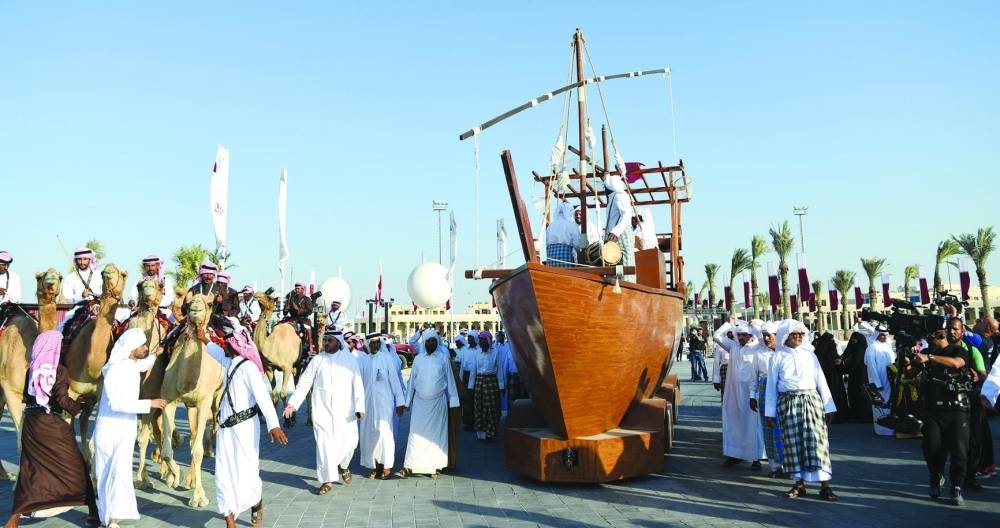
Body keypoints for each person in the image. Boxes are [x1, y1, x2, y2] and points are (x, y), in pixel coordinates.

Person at [4, 331, 99, 528]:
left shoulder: (32, 369)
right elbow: (63, 400)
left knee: (31, 469)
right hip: (52, 426)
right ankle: (93, 511)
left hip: (32, 424)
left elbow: (25, 396)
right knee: (75, 467)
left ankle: (14, 518)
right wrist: (79, 406)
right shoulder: (60, 370)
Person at [205, 318, 287, 528]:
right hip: (225, 430)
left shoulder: (249, 367)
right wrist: (202, 337)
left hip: (245, 429)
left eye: (227, 343)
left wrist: (273, 425)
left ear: (234, 345)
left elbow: (264, 398)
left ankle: (256, 502)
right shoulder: (229, 361)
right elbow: (213, 349)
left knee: (248, 473)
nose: (223, 345)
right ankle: (229, 521)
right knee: (223, 473)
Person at [92, 328, 167, 528]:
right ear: (131, 348)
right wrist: (149, 403)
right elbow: (118, 404)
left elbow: (142, 365)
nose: (145, 347)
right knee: (108, 474)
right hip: (110, 429)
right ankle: (108, 518)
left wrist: (155, 355)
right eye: (142, 345)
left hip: (125, 429)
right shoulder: (116, 369)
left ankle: (113, 517)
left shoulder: (131, 363)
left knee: (121, 472)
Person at [283, 329, 365, 495]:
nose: (326, 343)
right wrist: (293, 404)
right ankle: (327, 480)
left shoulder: (349, 360)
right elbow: (304, 383)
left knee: (350, 443)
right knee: (324, 446)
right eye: (325, 340)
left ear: (338, 342)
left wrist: (360, 407)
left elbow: (357, 385)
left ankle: (343, 466)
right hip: (322, 412)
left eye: (330, 340)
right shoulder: (318, 360)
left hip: (346, 412)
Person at [765, 320, 837, 501]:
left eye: (800, 334)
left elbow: (821, 380)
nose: (798, 337)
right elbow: (771, 387)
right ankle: (799, 484)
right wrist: (769, 413)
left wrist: (829, 407)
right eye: (793, 334)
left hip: (812, 402)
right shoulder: (777, 357)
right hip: (788, 404)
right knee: (792, 444)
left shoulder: (809, 355)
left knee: (817, 443)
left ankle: (825, 486)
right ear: (785, 337)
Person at [914, 323, 971, 506]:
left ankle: (957, 487)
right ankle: (936, 475)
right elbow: (911, 374)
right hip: (934, 410)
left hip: (957, 408)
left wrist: (929, 357)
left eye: (955, 329)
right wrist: (908, 362)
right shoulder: (926, 352)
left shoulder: (959, 350)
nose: (949, 332)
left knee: (959, 451)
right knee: (931, 447)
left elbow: (956, 364)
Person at [397, 329, 460, 478]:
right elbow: (411, 382)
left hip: (438, 404)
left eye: (433, 341)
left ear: (437, 342)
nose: (431, 343)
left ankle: (435, 466)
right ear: (424, 342)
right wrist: (407, 402)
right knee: (415, 435)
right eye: (428, 341)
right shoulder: (418, 359)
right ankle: (409, 466)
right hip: (420, 404)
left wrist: (454, 402)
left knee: (436, 436)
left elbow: (450, 381)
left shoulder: (443, 359)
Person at [714, 319, 765, 468]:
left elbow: (762, 336)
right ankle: (734, 455)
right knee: (734, 424)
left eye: (745, 334)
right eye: (739, 334)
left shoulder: (757, 347)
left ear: (750, 335)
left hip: (750, 394)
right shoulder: (733, 347)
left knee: (753, 425)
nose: (742, 337)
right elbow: (717, 336)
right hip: (733, 394)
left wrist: (753, 325)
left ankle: (756, 458)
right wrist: (729, 324)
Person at [358, 333, 405, 480]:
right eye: (372, 343)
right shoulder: (363, 361)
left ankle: (387, 466)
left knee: (384, 434)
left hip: (385, 404)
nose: (375, 346)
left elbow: (395, 381)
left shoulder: (387, 360)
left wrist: (400, 402)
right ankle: (376, 466)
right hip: (367, 405)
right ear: (368, 344)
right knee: (370, 435)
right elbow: (357, 384)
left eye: (378, 343)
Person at [749, 322, 784, 478]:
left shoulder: (785, 352)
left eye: (769, 335)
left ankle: (790, 463)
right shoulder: (759, 353)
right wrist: (752, 396)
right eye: (764, 336)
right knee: (768, 427)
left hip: (783, 391)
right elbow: (753, 377)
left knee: (785, 428)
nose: (766, 339)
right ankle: (775, 466)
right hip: (764, 392)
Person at [469, 330, 505, 442]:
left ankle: (491, 433)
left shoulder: (495, 353)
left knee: (492, 408)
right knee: (479, 408)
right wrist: (471, 386)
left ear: (489, 341)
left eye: (484, 341)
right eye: (480, 340)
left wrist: (501, 386)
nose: (481, 343)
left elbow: (499, 370)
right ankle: (481, 434)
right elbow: (473, 370)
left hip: (491, 382)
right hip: (479, 382)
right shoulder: (476, 353)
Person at [862, 323, 896, 435]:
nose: (885, 337)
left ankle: (892, 427)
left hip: (890, 380)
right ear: (877, 335)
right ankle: (882, 430)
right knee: (880, 404)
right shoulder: (872, 348)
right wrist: (876, 384)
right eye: (882, 335)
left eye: (886, 335)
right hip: (879, 381)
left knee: (890, 404)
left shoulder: (887, 346)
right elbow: (871, 367)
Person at [813, 332, 849, 423]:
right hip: (827, 379)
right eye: (830, 341)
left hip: (835, 378)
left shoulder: (830, 351)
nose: (832, 343)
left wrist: (839, 362)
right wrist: (833, 363)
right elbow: (821, 365)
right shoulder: (819, 353)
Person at [840, 330, 873, 423]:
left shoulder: (859, 350)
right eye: (853, 338)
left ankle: (861, 415)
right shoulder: (855, 349)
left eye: (855, 339)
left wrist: (844, 369)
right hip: (856, 377)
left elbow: (854, 364)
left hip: (859, 377)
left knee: (859, 395)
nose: (853, 340)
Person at [603, 172, 634, 266]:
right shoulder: (614, 198)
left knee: (625, 260)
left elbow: (626, 215)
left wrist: (616, 231)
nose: (604, 189)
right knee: (616, 262)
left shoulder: (619, 196)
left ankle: (626, 281)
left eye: (606, 187)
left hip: (621, 233)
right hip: (615, 235)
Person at [545, 200, 580, 267]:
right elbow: (577, 245)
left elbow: (547, 244)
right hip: (565, 260)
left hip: (551, 261)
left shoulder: (551, 225)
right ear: (569, 212)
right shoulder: (571, 225)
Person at [283, 282, 315, 353]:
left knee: (308, 328)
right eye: (296, 288)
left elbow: (310, 310)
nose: (296, 290)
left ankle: (310, 346)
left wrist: (299, 310)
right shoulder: (291, 299)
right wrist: (286, 308)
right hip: (292, 318)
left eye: (298, 288)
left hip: (303, 319)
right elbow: (284, 313)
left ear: (302, 289)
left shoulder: (306, 299)